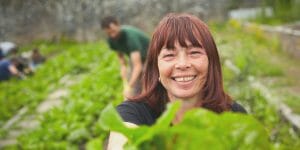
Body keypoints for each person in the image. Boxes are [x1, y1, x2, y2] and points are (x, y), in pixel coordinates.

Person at [106, 13, 247, 149]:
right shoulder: (134, 113)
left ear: (211, 63)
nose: (182, 64)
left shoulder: (233, 114)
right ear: (156, 68)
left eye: (194, 53)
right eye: (169, 55)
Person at [101, 16, 149, 98]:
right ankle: (135, 100)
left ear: (118, 25)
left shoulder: (130, 37)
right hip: (135, 56)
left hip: (151, 55)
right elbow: (119, 53)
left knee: (146, 77)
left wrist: (129, 87)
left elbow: (138, 66)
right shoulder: (111, 40)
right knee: (133, 80)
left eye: (113, 31)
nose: (112, 35)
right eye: (109, 33)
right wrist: (123, 66)